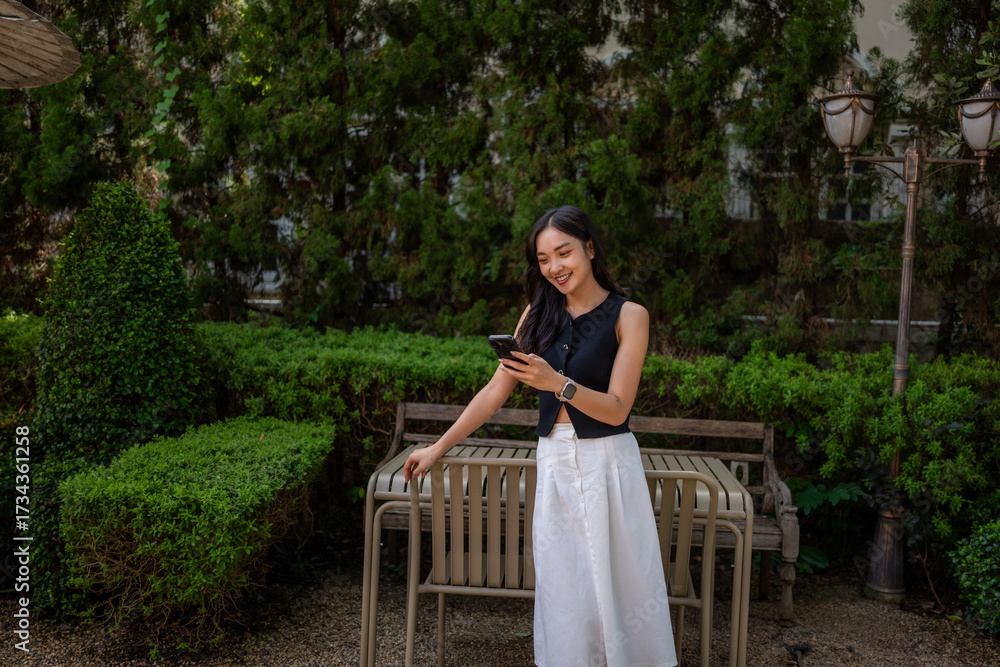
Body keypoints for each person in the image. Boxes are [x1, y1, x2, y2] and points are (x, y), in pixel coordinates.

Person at [403, 205, 676, 667]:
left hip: (608, 462)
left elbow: (617, 409)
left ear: (589, 248)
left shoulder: (629, 315)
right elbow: (494, 393)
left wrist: (559, 384)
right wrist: (438, 446)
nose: (555, 268)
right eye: (544, 259)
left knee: (622, 583)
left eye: (564, 252)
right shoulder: (536, 314)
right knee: (564, 586)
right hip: (554, 462)